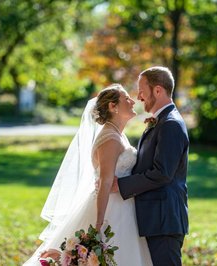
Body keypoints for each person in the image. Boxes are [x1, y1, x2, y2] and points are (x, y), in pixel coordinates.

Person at [23, 84, 153, 266]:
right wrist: (99, 224)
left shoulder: (117, 135)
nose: (132, 101)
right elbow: (106, 181)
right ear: (113, 107)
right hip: (111, 211)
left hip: (124, 206)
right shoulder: (110, 139)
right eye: (126, 99)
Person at [116, 66, 189, 266]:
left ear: (157, 90)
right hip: (156, 218)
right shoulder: (162, 121)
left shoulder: (171, 124)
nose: (138, 97)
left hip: (164, 220)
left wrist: (121, 185)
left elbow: (162, 173)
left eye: (142, 90)